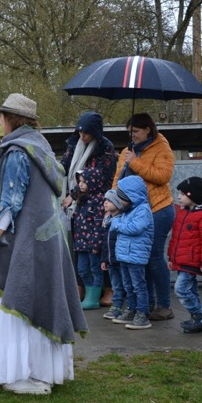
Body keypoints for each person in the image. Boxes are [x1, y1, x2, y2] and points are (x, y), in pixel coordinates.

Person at [0, 93, 87, 395]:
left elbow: (10, 202)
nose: (0, 122)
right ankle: (45, 372)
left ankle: (25, 374)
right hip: (50, 239)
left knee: (21, 300)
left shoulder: (18, 151)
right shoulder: (41, 147)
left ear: (11, 119)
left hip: (27, 241)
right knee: (43, 298)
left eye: (2, 117)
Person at [112, 113, 175, 321]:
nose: (132, 135)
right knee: (139, 259)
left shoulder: (161, 147)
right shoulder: (127, 151)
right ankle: (144, 305)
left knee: (154, 257)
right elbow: (117, 180)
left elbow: (163, 176)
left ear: (148, 129)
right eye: (129, 132)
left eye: (136, 131)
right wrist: (114, 201)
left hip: (158, 208)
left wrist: (136, 163)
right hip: (134, 211)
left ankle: (164, 306)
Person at [61, 111, 118, 306]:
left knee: (100, 248)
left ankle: (109, 288)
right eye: (79, 132)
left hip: (98, 202)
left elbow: (99, 178)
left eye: (86, 133)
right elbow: (64, 165)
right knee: (79, 246)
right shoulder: (74, 143)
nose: (82, 136)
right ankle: (81, 286)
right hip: (78, 204)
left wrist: (73, 194)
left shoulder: (106, 148)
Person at [167, 177, 202, 333]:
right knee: (191, 290)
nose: (178, 197)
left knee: (181, 289)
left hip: (193, 261)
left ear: (192, 195)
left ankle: (201, 315)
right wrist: (171, 258)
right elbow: (175, 238)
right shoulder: (182, 213)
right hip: (181, 260)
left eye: (182, 194)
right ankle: (198, 320)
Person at [108, 176, 154, 330]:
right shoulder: (128, 210)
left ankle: (142, 314)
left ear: (131, 196)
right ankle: (131, 310)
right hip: (124, 255)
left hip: (136, 256)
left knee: (138, 286)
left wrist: (117, 224)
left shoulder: (143, 210)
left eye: (121, 198)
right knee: (128, 286)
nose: (119, 201)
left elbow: (135, 228)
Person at [71, 169, 107, 309]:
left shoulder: (99, 200)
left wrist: (96, 243)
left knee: (95, 269)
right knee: (82, 270)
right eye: (79, 181)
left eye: (84, 182)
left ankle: (93, 298)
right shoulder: (82, 198)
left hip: (93, 243)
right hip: (81, 242)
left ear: (93, 182)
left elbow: (99, 224)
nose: (80, 184)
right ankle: (89, 295)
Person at [100, 190, 125, 321]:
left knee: (126, 285)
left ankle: (130, 308)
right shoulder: (107, 220)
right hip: (111, 261)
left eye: (109, 201)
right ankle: (116, 308)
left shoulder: (121, 220)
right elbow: (105, 243)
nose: (105, 203)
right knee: (116, 285)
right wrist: (104, 259)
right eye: (105, 200)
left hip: (120, 259)